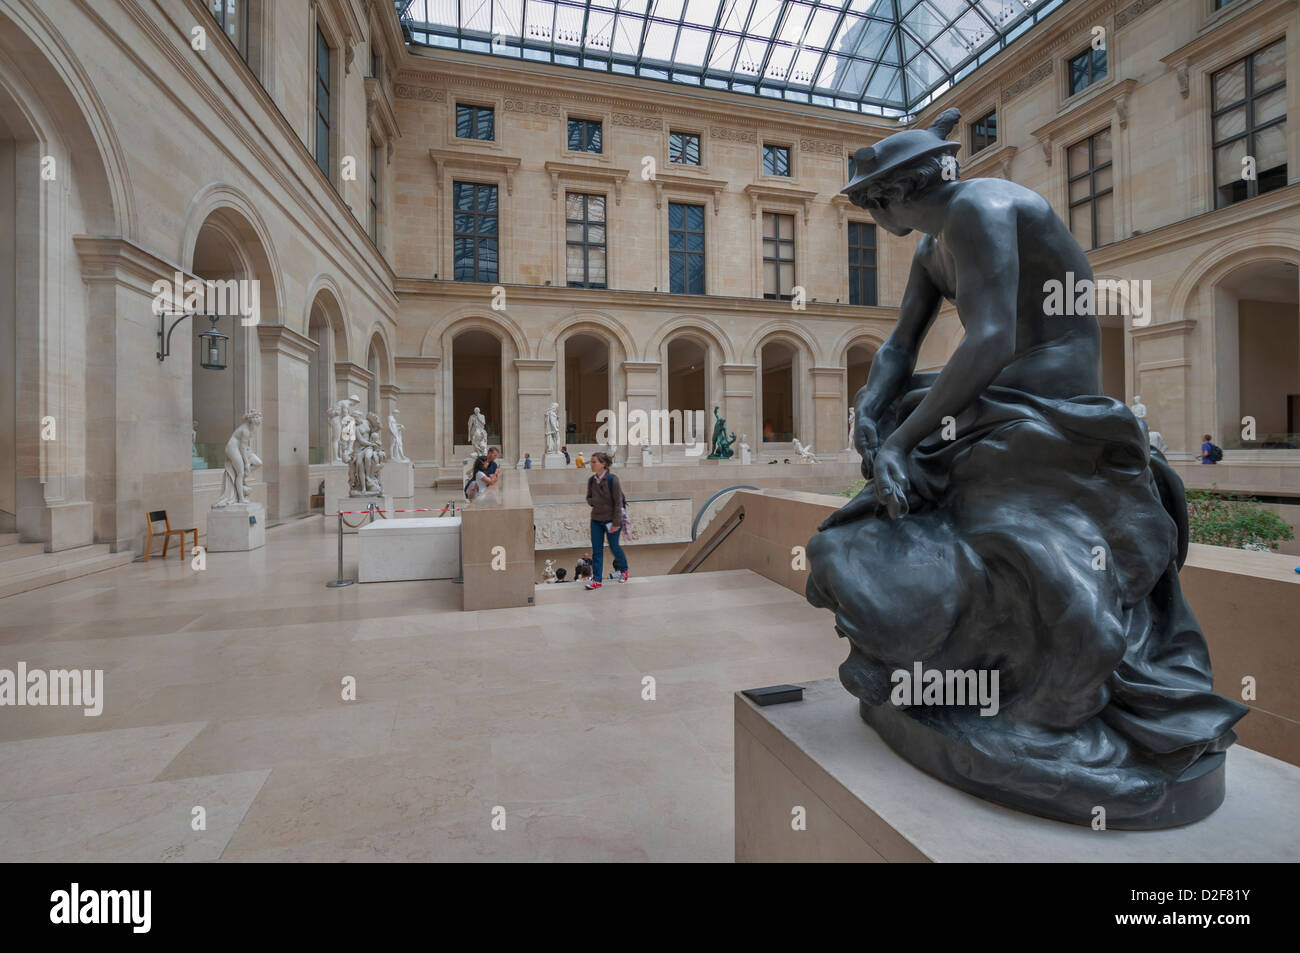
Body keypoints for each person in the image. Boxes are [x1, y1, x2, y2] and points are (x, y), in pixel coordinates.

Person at [807, 107, 1244, 824]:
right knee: (893, 446)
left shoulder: (981, 208)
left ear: (891, 195)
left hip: (1046, 400)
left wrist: (899, 441)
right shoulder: (932, 246)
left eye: (869, 203)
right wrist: (873, 408)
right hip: (996, 395)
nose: (871, 216)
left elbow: (989, 339)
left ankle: (1019, 681)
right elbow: (899, 346)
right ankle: (912, 648)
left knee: (974, 508)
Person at [584, 452, 628, 589]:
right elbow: (588, 498)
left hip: (611, 520)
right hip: (596, 519)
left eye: (594, 462)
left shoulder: (612, 480)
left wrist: (616, 523)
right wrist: (595, 502)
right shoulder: (591, 480)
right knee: (597, 550)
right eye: (591, 462)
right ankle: (597, 580)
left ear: (603, 464)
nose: (591, 464)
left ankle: (624, 569)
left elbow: (618, 503)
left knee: (614, 547)